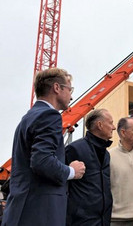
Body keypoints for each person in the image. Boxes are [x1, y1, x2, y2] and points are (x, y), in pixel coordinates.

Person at [2, 68, 86, 226]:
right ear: (56, 88)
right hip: (40, 213)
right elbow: (42, 161)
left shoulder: (28, 118)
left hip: (22, 211)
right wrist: (72, 171)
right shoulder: (50, 116)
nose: (72, 95)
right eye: (69, 89)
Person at [66, 108, 115, 226]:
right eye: (111, 123)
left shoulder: (106, 154)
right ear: (100, 125)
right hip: (81, 222)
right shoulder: (74, 149)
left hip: (103, 221)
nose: (114, 127)